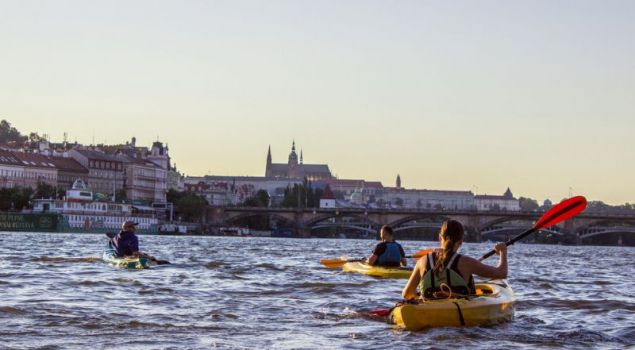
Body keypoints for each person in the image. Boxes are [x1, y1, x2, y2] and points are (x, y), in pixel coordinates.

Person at [402, 219, 507, 300]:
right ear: (461, 240)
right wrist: (503, 252)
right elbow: (501, 273)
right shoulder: (466, 263)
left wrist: (420, 298)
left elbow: (407, 294)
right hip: (459, 314)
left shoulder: (422, 261)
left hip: (429, 310)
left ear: (440, 237)